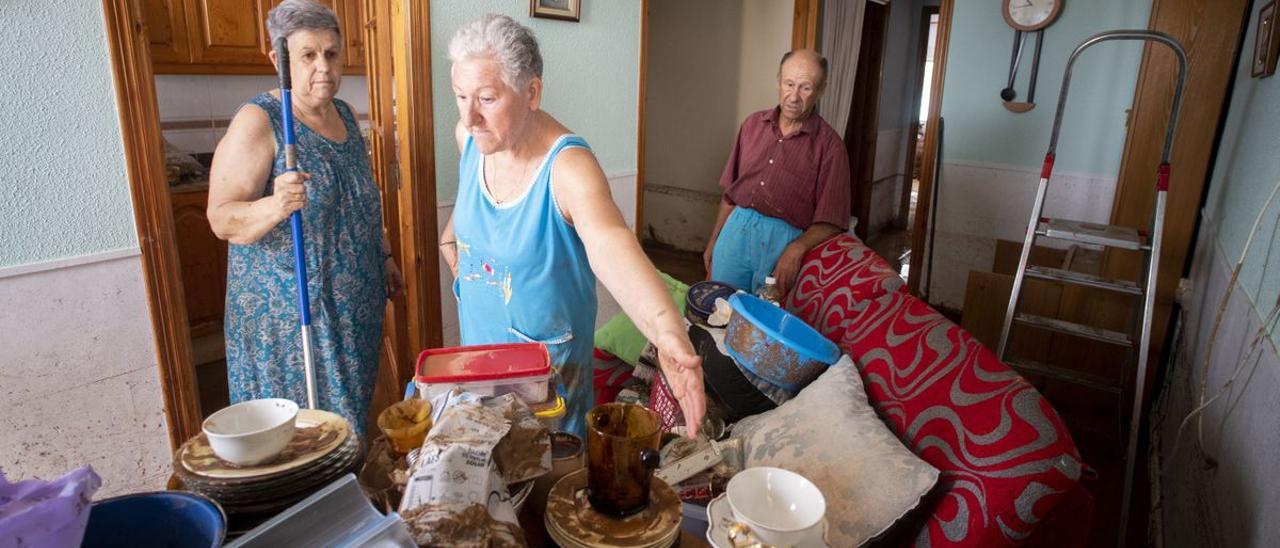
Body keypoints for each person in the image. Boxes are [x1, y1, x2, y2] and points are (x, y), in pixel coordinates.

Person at [439, 14, 706, 438]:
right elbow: (473, 211)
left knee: (545, 490)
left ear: (531, 92)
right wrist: (453, 243)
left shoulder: (569, 168)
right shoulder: (469, 138)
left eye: (486, 99)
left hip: (547, 384)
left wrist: (670, 338)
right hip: (481, 364)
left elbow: (611, 247)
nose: (470, 116)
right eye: (459, 96)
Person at [207, 0, 403, 438]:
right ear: (278, 60)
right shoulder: (260, 121)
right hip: (291, 324)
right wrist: (275, 204)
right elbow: (221, 218)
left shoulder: (348, 117)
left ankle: (347, 500)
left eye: (332, 54)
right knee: (297, 439)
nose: (324, 68)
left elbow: (360, 204)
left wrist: (384, 256)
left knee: (346, 428)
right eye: (308, 55)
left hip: (350, 315)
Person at [704, 49, 851, 296]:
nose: (794, 96)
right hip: (735, 232)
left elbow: (832, 221)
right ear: (778, 81)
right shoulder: (751, 126)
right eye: (789, 84)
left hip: (783, 244)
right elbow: (730, 194)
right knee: (720, 308)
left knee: (764, 325)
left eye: (805, 88)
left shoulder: (831, 146)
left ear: (821, 90)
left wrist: (796, 249)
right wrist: (714, 240)